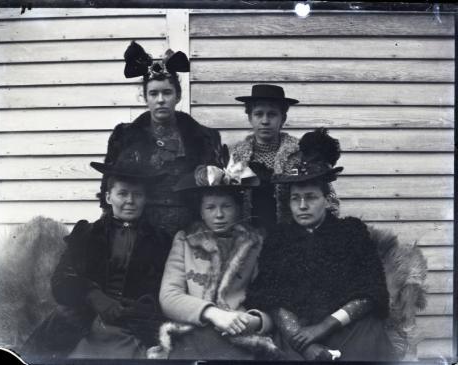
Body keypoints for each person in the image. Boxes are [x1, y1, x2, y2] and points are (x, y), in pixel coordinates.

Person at [245, 128, 395, 361]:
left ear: (326, 200)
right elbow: (270, 295)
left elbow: (371, 289)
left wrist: (324, 326)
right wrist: (304, 344)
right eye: (296, 198)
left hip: (349, 326)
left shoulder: (351, 232)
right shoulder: (279, 238)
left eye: (311, 197)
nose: (302, 205)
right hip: (296, 332)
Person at [21, 148, 171, 359]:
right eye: (122, 193)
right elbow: (60, 282)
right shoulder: (87, 234)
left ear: (145, 199)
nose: (130, 200)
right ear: (109, 197)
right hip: (83, 322)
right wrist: (93, 295)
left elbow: (166, 290)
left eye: (137, 194)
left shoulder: (160, 241)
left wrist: (141, 306)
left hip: (135, 328)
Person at [147, 162, 282, 360]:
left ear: (238, 208)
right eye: (210, 207)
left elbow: (272, 302)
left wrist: (254, 321)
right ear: (201, 212)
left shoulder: (255, 244)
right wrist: (214, 314)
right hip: (192, 333)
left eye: (226, 206)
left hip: (240, 334)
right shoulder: (185, 241)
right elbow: (169, 297)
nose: (219, 215)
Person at [99, 41, 223, 235]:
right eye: (153, 93)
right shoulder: (124, 137)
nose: (160, 100)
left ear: (178, 96)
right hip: (140, 232)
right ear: (145, 97)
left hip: (190, 231)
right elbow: (109, 189)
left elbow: (215, 195)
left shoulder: (205, 138)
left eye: (167, 92)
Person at [230, 84, 339, 230]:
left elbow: (330, 201)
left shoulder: (301, 152)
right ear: (250, 117)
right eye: (258, 114)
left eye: (272, 114)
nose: (265, 121)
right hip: (249, 241)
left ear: (283, 118)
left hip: (292, 241)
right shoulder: (235, 156)